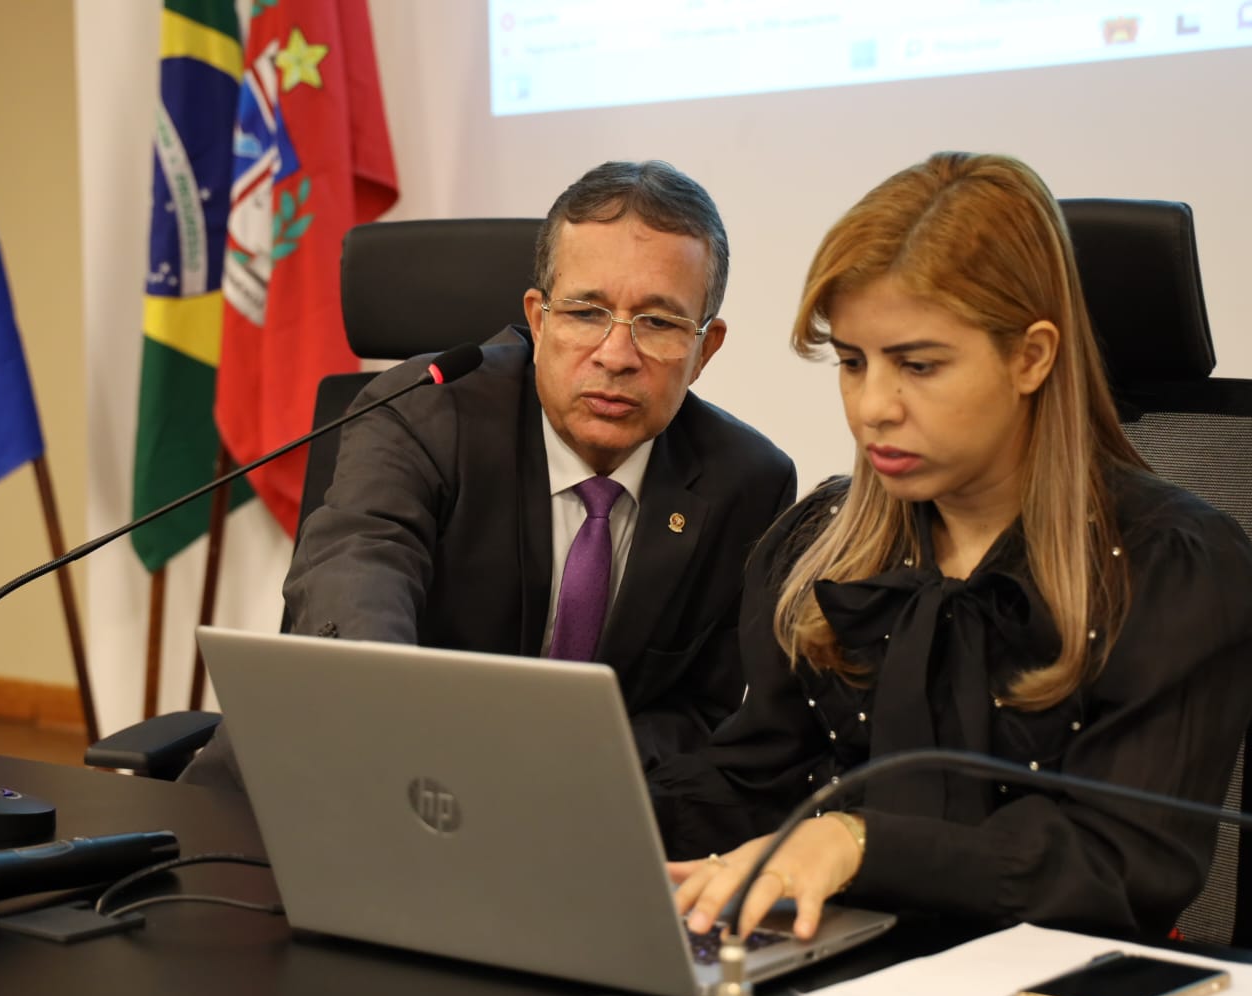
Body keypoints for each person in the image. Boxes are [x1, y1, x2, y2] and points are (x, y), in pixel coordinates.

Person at [654, 151, 1252, 944]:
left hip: (1052, 991)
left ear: (1031, 356)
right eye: (852, 363)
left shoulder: (1173, 569)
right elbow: (753, 782)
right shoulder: (821, 550)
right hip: (838, 968)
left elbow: (1119, 866)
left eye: (918, 365)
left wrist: (859, 843)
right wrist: (599, 816)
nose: (873, 407)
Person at [182, 160, 797, 789]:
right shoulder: (421, 412)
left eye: (659, 323)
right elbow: (357, 578)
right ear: (539, 320)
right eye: (586, 312)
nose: (616, 356)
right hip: (343, 770)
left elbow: (701, 712)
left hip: (571, 803)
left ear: (705, 349)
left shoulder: (745, 484)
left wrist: (561, 768)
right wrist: (440, 749)